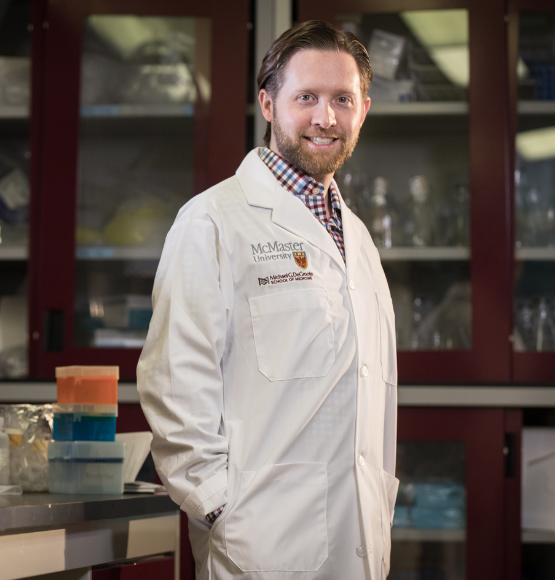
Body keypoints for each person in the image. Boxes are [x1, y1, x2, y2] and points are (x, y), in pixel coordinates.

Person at [137, 20, 398, 580]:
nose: (326, 118)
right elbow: (173, 382)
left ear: (364, 110)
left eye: (342, 100)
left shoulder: (358, 240)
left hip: (359, 544)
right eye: (306, 97)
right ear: (268, 104)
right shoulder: (212, 221)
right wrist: (221, 508)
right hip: (260, 549)